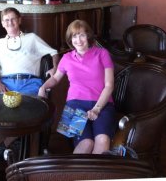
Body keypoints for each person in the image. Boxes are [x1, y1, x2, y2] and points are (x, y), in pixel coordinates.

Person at [39, 20, 115, 154]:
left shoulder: (102, 54)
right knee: (86, 143)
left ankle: (95, 175)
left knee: (102, 141)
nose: (78, 40)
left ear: (88, 36)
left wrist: (97, 109)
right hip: (75, 105)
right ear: (70, 39)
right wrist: (43, 87)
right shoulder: (67, 58)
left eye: (81, 35)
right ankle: (75, 174)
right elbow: (56, 78)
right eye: (74, 36)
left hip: (102, 104)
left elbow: (109, 85)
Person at [0, 7, 59, 96]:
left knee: (31, 107)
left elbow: (54, 53)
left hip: (30, 82)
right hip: (5, 83)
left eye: (13, 19)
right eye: (6, 20)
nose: (10, 22)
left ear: (19, 20)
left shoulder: (32, 38)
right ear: (3, 24)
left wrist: (55, 68)